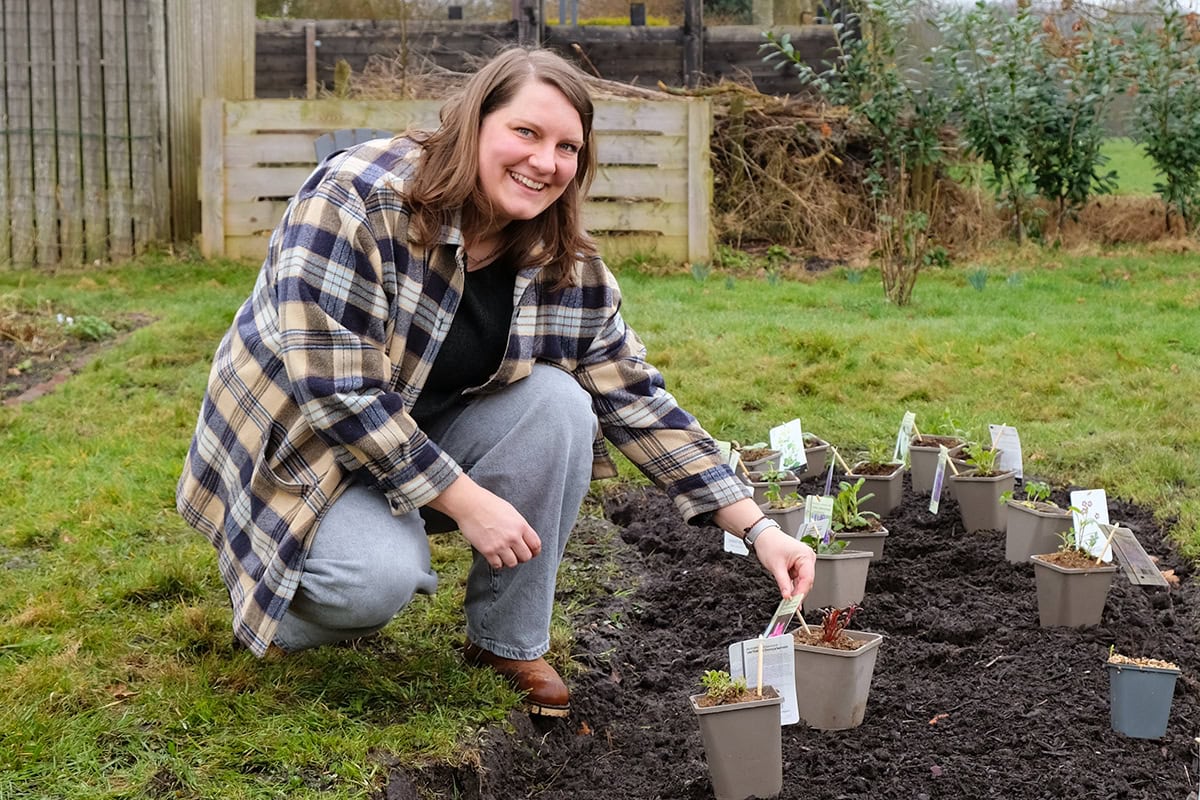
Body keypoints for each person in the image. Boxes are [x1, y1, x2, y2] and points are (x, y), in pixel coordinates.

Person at [176, 46, 816, 718]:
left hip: (415, 438)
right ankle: (280, 601)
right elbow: (340, 395)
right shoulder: (360, 198)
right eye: (526, 133)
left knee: (563, 404)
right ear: (475, 123)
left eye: (568, 147)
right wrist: (469, 502)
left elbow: (636, 400)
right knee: (374, 582)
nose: (546, 162)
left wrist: (760, 529)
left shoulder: (560, 261)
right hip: (301, 447)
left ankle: (504, 642)